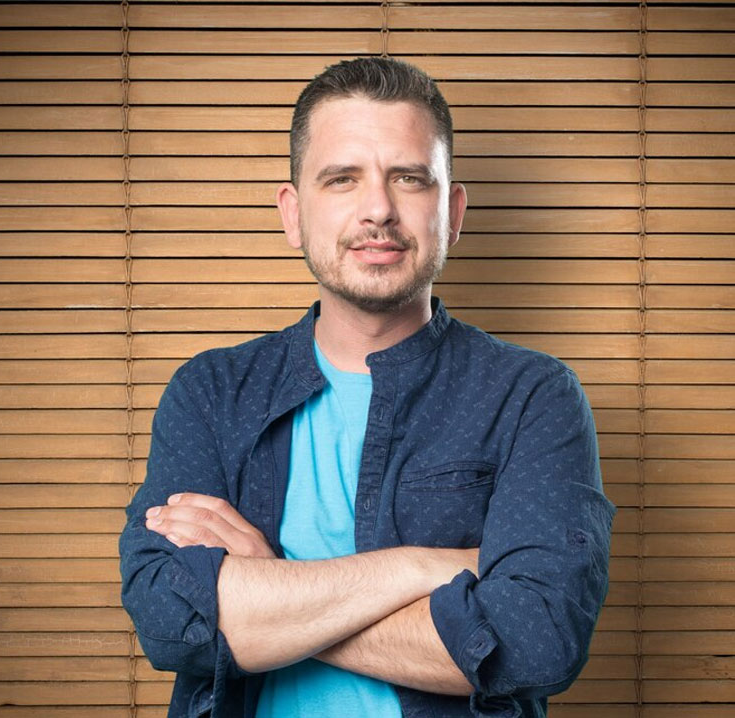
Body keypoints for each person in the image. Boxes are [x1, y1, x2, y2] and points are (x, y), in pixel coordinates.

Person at [119, 57, 615, 718]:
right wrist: (423, 567)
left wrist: (268, 588)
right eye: (342, 179)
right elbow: (170, 619)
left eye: (409, 178)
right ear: (293, 214)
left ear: (452, 212)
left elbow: (534, 641)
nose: (378, 209)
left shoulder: (533, 396)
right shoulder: (209, 393)